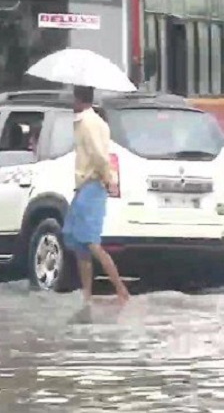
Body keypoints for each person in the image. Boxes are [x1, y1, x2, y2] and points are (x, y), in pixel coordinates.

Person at [62, 85, 130, 305]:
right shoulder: (95, 122)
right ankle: (87, 295)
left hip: (92, 185)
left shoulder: (88, 123)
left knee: (91, 242)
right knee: (81, 244)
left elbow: (100, 156)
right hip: (86, 187)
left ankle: (121, 290)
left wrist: (108, 179)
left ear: (78, 98)